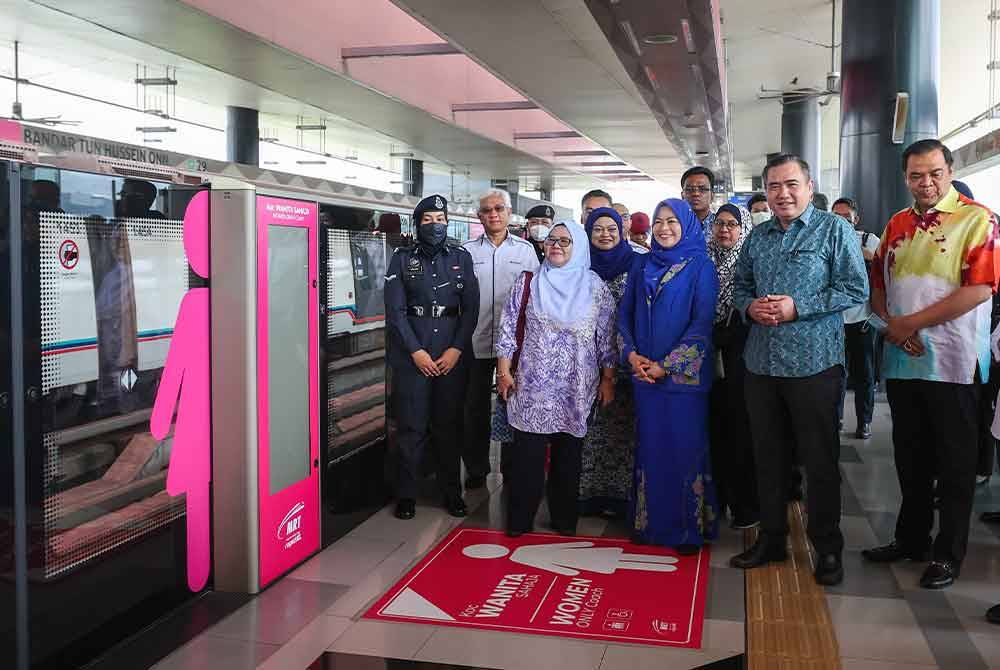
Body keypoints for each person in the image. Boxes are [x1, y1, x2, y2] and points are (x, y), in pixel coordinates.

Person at [862, 139, 1000, 590]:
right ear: (905, 177)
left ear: (949, 169)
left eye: (935, 173)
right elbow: (878, 280)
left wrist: (908, 325)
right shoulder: (897, 222)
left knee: (956, 465)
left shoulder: (977, 219)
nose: (926, 182)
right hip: (905, 365)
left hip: (955, 365)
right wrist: (891, 324)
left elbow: (979, 289)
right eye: (917, 175)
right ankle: (912, 538)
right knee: (910, 457)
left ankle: (948, 554)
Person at [728, 154, 868, 586]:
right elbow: (741, 285)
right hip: (761, 364)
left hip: (814, 365)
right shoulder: (758, 237)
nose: (782, 194)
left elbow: (854, 287)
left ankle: (827, 547)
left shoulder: (835, 230)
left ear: (809, 187)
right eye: (773, 186)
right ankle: (772, 539)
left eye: (791, 184)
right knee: (767, 456)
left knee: (818, 460)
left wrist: (798, 307)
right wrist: (748, 306)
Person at [496, 221, 616, 537]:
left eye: (565, 240)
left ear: (578, 247)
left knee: (568, 461)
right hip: (532, 390)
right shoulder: (529, 283)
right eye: (551, 240)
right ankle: (520, 522)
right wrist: (504, 371)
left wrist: (607, 379)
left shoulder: (594, 287)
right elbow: (508, 331)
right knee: (527, 461)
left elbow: (607, 339)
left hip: (576, 390)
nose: (557, 245)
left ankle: (564, 521)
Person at [618, 198, 720, 554]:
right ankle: (649, 525)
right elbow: (624, 315)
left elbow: (702, 325)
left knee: (684, 450)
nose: (664, 228)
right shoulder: (641, 263)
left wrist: (667, 365)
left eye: (672, 221)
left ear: (687, 225)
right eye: (659, 221)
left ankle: (686, 529)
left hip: (683, 382)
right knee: (651, 449)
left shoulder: (701, 267)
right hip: (644, 377)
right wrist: (631, 355)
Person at [384, 195, 480, 520]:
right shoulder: (401, 258)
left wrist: (456, 349)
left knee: (449, 427)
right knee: (411, 427)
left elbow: (470, 310)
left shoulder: (461, 257)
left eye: (440, 218)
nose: (435, 224)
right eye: (428, 219)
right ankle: (407, 495)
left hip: (451, 359)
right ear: (418, 223)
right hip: (414, 359)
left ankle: (452, 492)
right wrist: (416, 351)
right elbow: (395, 312)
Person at [461, 189, 540, 490]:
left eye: (498, 208)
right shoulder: (467, 251)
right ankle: (477, 468)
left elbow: (535, 298)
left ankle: (510, 468)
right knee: (475, 408)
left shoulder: (525, 251)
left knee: (511, 405)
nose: (492, 214)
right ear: (479, 216)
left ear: (508, 213)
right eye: (486, 210)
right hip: (475, 341)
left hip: (515, 346)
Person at [579, 207, 638, 518]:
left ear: (621, 231)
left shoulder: (638, 264)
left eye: (611, 229)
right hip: (586, 362)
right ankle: (588, 496)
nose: (605, 234)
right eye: (598, 229)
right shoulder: (579, 266)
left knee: (623, 428)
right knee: (590, 429)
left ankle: (620, 497)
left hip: (628, 358)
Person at [707, 203, 759, 529]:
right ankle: (717, 501)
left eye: (732, 224)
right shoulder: (703, 261)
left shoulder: (752, 263)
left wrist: (730, 331)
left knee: (742, 431)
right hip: (707, 357)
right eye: (720, 224)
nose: (725, 230)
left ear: (743, 229)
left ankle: (746, 506)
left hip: (742, 358)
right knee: (713, 431)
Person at [832, 197, 880, 440]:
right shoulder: (825, 240)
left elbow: (883, 266)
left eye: (846, 218)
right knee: (836, 374)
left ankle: (865, 421)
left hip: (863, 319)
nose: (840, 222)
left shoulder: (868, 240)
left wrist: (863, 252)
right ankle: (836, 418)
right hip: (834, 320)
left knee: (865, 374)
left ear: (855, 220)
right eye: (836, 216)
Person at [681, 166, 716, 235]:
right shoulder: (673, 226)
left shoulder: (722, 226)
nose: (696, 193)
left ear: (712, 196)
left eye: (702, 189)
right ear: (682, 196)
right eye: (689, 189)